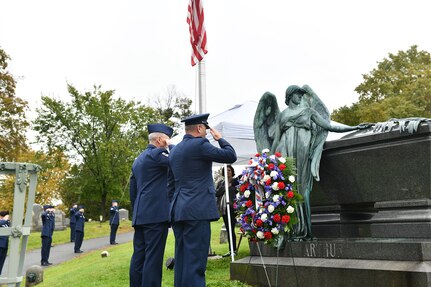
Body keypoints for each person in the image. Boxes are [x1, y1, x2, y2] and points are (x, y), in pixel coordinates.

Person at [259, 84, 371, 239]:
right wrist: (269, 161)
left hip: (303, 151)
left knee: (302, 189)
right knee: (288, 188)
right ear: (290, 95)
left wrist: (354, 127)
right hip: (286, 151)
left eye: (301, 94)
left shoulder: (309, 112)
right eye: (298, 94)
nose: (300, 96)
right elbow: (276, 139)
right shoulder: (282, 116)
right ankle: (291, 230)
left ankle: (304, 230)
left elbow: (328, 126)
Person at [169, 113, 237, 287]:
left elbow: (171, 183)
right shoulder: (200, 144)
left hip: (178, 210)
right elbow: (230, 156)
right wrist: (220, 139)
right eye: (206, 129)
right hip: (196, 210)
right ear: (199, 128)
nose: (207, 133)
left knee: (183, 259)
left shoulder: (175, 149)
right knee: (196, 261)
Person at [129, 123, 174, 287]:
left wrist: (136, 211)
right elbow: (176, 160)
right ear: (161, 140)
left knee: (139, 257)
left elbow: (132, 189)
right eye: (167, 139)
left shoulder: (139, 159)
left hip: (140, 215)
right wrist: (171, 146)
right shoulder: (158, 154)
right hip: (155, 215)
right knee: (153, 259)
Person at [215, 164, 239, 257]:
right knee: (228, 229)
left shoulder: (235, 181)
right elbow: (217, 193)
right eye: (226, 170)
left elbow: (237, 191)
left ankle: (233, 250)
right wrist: (226, 186)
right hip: (224, 208)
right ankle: (231, 250)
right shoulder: (221, 182)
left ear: (232, 172)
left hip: (232, 207)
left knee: (231, 228)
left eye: (229, 170)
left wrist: (231, 186)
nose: (228, 172)